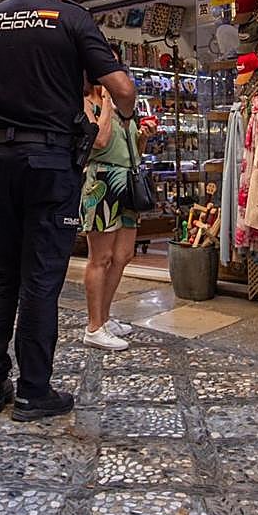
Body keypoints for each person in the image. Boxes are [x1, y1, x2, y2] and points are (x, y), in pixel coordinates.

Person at [0, 0, 137, 421]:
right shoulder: (72, 18)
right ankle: (35, 389)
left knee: (0, 272)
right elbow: (121, 87)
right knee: (41, 277)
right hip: (52, 163)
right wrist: (122, 109)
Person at [79, 76, 155, 351]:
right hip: (101, 179)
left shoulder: (125, 109)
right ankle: (93, 326)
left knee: (123, 255)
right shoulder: (86, 102)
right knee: (101, 257)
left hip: (127, 181)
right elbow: (99, 140)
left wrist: (143, 136)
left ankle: (105, 317)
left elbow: (134, 150)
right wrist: (110, 102)